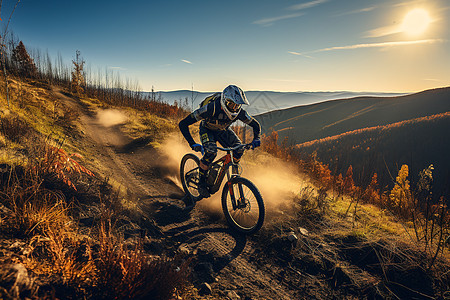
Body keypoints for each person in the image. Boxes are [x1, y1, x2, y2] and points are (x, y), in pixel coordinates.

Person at [179, 85, 261, 205]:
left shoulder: (240, 113)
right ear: (224, 101)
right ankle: (201, 183)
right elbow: (183, 124)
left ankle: (233, 172)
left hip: (223, 130)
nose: (235, 108)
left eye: (237, 105)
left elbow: (256, 125)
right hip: (207, 130)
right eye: (231, 104)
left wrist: (257, 138)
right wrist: (193, 143)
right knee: (211, 152)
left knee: (239, 148)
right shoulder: (210, 109)